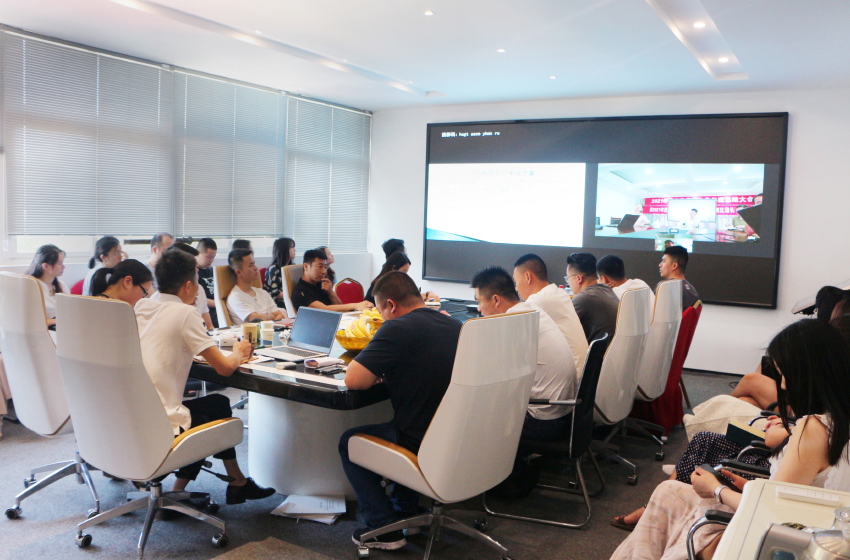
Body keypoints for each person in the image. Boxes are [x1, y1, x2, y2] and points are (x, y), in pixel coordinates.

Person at [609, 319, 850, 560]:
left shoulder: (812, 430)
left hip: (775, 540)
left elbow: (772, 513)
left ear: (806, 375)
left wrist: (716, 489)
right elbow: (798, 494)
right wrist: (750, 487)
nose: (784, 384)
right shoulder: (837, 420)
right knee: (668, 491)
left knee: (670, 504)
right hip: (807, 531)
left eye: (784, 374)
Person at [134, 247, 275, 503]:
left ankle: (232, 482)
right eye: (197, 282)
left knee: (216, 404)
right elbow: (224, 368)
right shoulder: (184, 313)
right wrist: (239, 352)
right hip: (162, 425)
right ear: (188, 286)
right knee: (213, 413)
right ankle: (231, 484)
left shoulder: (142, 305)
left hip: (135, 418)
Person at [338, 271, 462, 551]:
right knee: (406, 420)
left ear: (391, 305)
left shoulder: (396, 328)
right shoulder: (454, 325)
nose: (381, 319)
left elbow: (354, 380)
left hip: (420, 442)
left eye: (380, 312)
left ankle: (382, 527)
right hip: (457, 439)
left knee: (350, 442)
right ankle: (406, 510)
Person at [473, 266, 577, 441]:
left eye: (479, 301)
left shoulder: (512, 323)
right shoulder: (532, 310)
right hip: (565, 414)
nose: (478, 309)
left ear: (496, 300)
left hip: (544, 422)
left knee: (475, 417)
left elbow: (492, 380)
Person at [731, 286, 850, 409]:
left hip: (813, 410)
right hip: (818, 406)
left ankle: (721, 411)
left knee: (751, 381)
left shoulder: (833, 343)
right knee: (747, 400)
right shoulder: (835, 340)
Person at [512, 254, 588, 373]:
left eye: (516, 282)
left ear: (528, 277)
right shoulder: (560, 293)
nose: (516, 289)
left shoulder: (536, 301)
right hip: (583, 373)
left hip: (570, 377)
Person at [291, 249, 373, 313]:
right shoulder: (300, 292)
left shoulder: (321, 285)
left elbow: (340, 307)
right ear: (306, 266)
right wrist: (356, 305)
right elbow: (324, 309)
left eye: (325, 267)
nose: (324, 271)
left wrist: (330, 292)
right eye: (320, 266)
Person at [566, 252, 619, 343]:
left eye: (568, 278)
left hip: (598, 351)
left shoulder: (583, 298)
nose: (568, 283)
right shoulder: (607, 289)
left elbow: (563, 331)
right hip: (613, 350)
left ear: (579, 278)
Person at [226, 249, 286, 325]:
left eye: (254, 264)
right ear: (239, 272)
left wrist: (267, 319)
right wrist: (271, 316)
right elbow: (256, 320)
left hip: (271, 331)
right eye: (251, 265)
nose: (256, 268)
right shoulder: (235, 297)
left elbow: (280, 315)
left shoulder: (262, 292)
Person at [169, 243, 214, 329]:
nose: (197, 269)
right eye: (193, 266)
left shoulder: (199, 289)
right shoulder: (164, 300)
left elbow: (209, 326)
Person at [25, 244, 68, 328]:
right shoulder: (32, 287)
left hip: (60, 328)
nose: (63, 267)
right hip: (42, 331)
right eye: (60, 263)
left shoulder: (61, 286)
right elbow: (31, 322)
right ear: (45, 266)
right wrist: (57, 320)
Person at [657, 245, 700, 311]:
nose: (660, 265)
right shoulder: (692, 290)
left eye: (664, 261)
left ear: (674, 266)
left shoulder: (664, 287)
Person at [264, 237, 296, 305]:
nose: (294, 250)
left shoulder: (292, 267)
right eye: (292, 247)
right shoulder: (273, 269)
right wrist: (295, 295)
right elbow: (275, 294)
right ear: (284, 249)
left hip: (290, 299)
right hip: (277, 303)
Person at [195, 238, 218, 327]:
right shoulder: (193, 273)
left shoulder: (212, 270)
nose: (211, 261)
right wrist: (219, 304)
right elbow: (199, 298)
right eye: (209, 257)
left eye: (213, 257)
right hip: (207, 310)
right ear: (198, 253)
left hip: (218, 308)